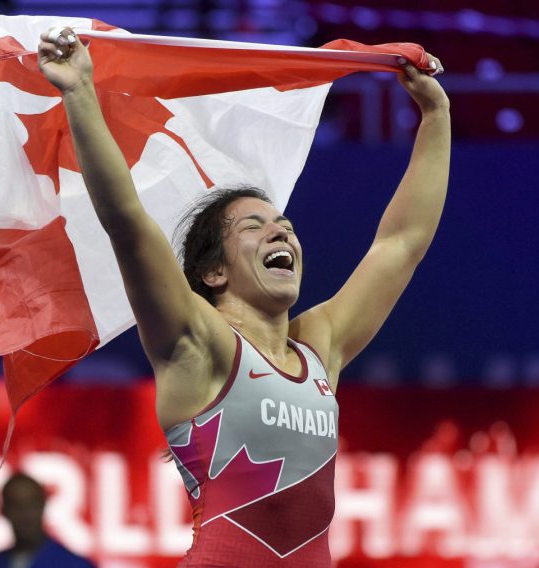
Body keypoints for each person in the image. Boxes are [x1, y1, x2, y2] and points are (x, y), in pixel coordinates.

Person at [37, 27, 449, 566]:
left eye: (285, 224)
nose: (282, 233)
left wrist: (436, 118)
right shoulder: (197, 342)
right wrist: (80, 93)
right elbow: (128, 222)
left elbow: (400, 244)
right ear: (212, 271)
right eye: (254, 227)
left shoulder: (319, 347)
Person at [0, 473, 95, 568]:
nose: (25, 514)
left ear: (43, 505)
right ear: (4, 510)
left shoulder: (74, 565)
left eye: (32, 504)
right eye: (16, 505)